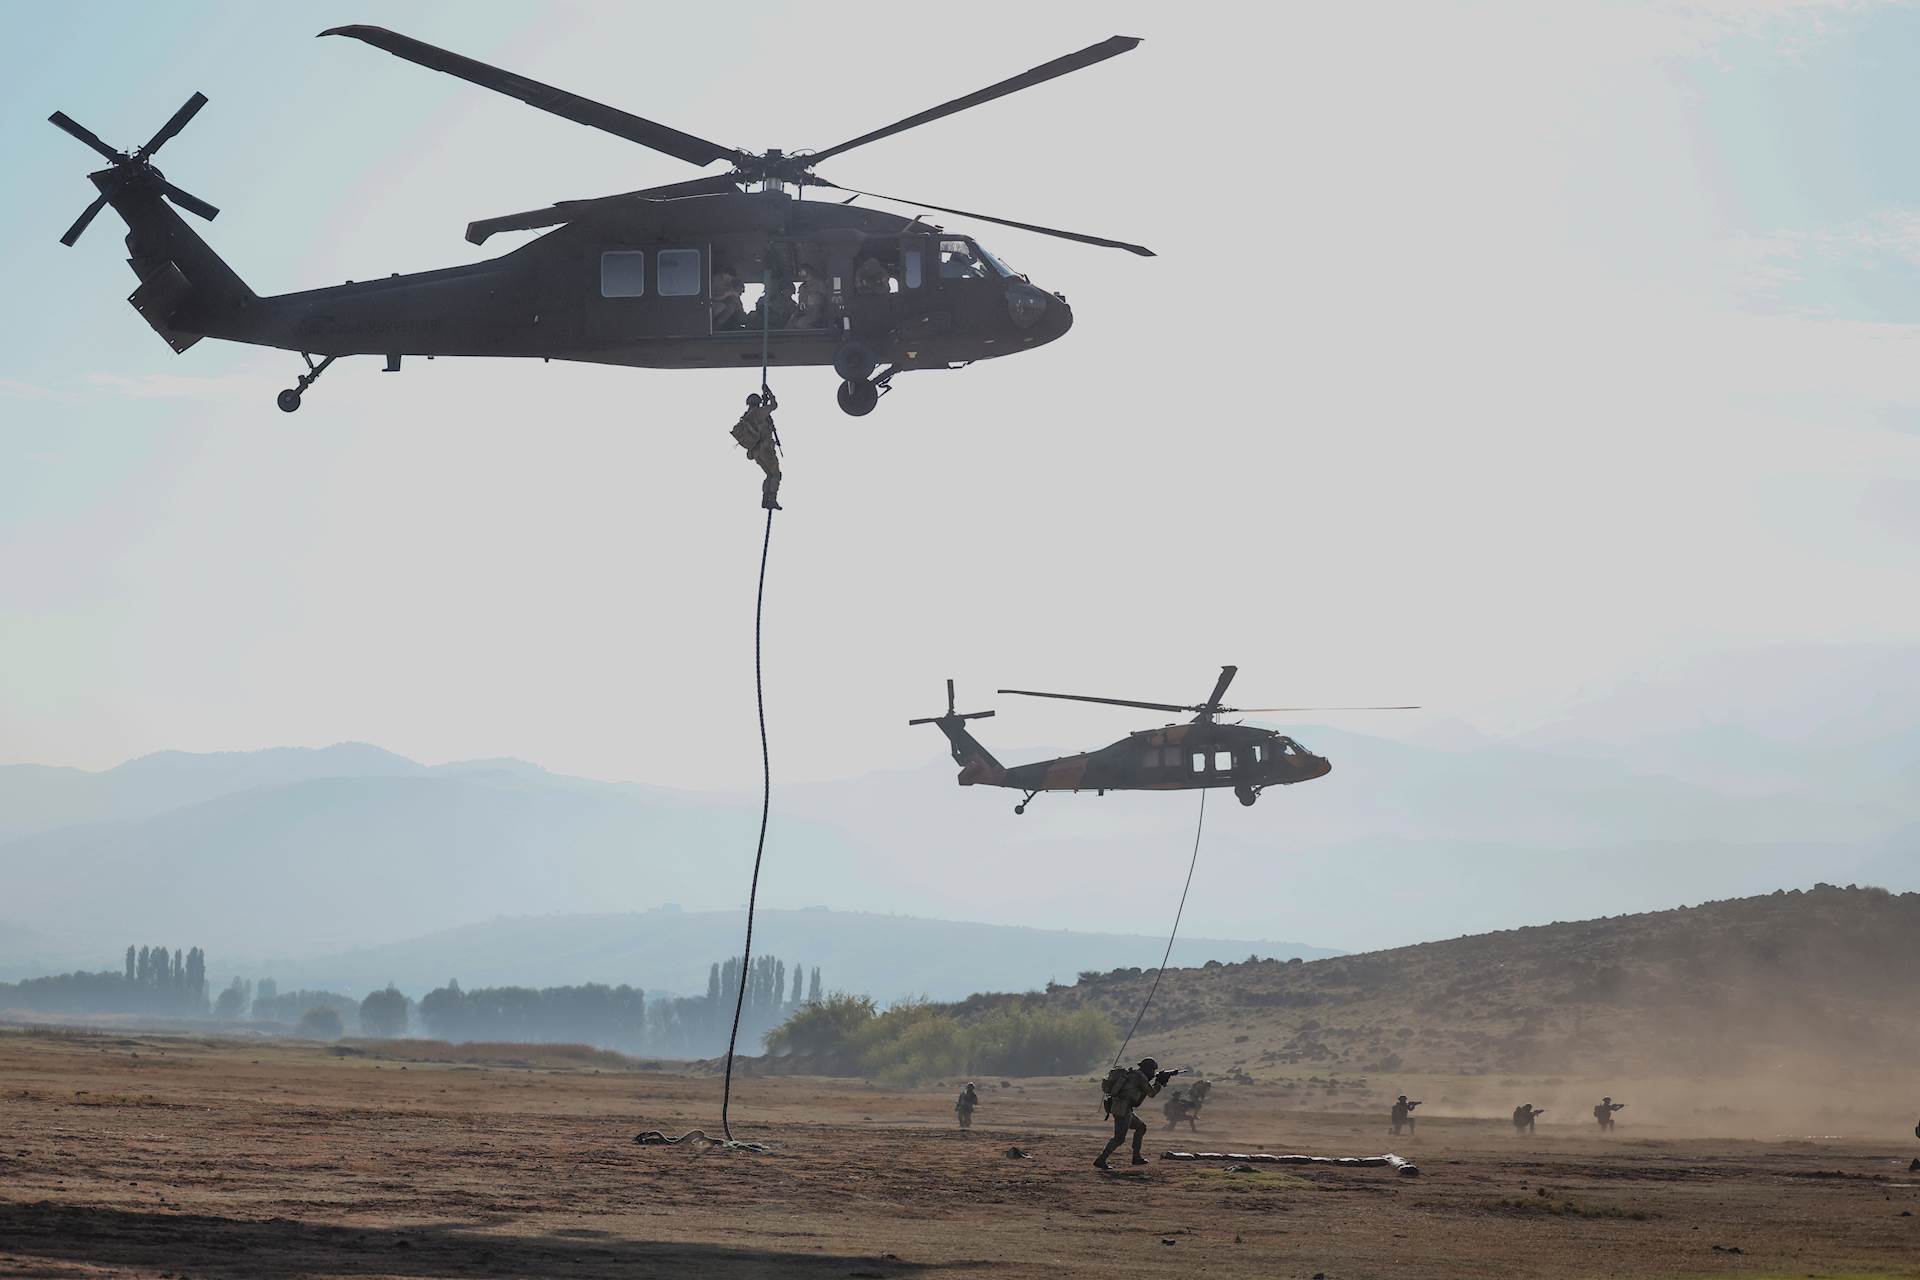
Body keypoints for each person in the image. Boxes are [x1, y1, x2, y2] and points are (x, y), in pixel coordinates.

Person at [1097, 1056, 1175, 1169]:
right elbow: (1151, 1093)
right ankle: (1101, 1159)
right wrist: (1159, 1082)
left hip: (1123, 1108)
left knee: (1141, 1127)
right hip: (1123, 1109)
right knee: (1119, 1138)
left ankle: (1136, 1157)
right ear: (1147, 1069)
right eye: (1152, 1070)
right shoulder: (1140, 1077)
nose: (1153, 1072)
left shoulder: (1135, 1075)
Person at [729, 389, 782, 510]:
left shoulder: (747, 416)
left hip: (756, 452)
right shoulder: (759, 412)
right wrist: (769, 393)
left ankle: (765, 499)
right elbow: (774, 406)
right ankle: (772, 499)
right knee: (776, 475)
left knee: (769, 475)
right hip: (766, 449)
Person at [788, 262, 830, 328]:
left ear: (807, 271)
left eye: (801, 271)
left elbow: (822, 305)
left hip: (818, 319)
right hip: (805, 315)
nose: (799, 274)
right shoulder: (802, 287)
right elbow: (801, 306)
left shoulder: (819, 285)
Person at [710, 265, 746, 330]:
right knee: (723, 306)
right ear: (725, 274)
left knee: (733, 305)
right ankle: (715, 326)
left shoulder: (729, 284)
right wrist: (725, 295)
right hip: (712, 305)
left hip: (723, 305)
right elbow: (710, 298)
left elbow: (734, 299)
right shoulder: (715, 281)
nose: (730, 280)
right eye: (730, 278)